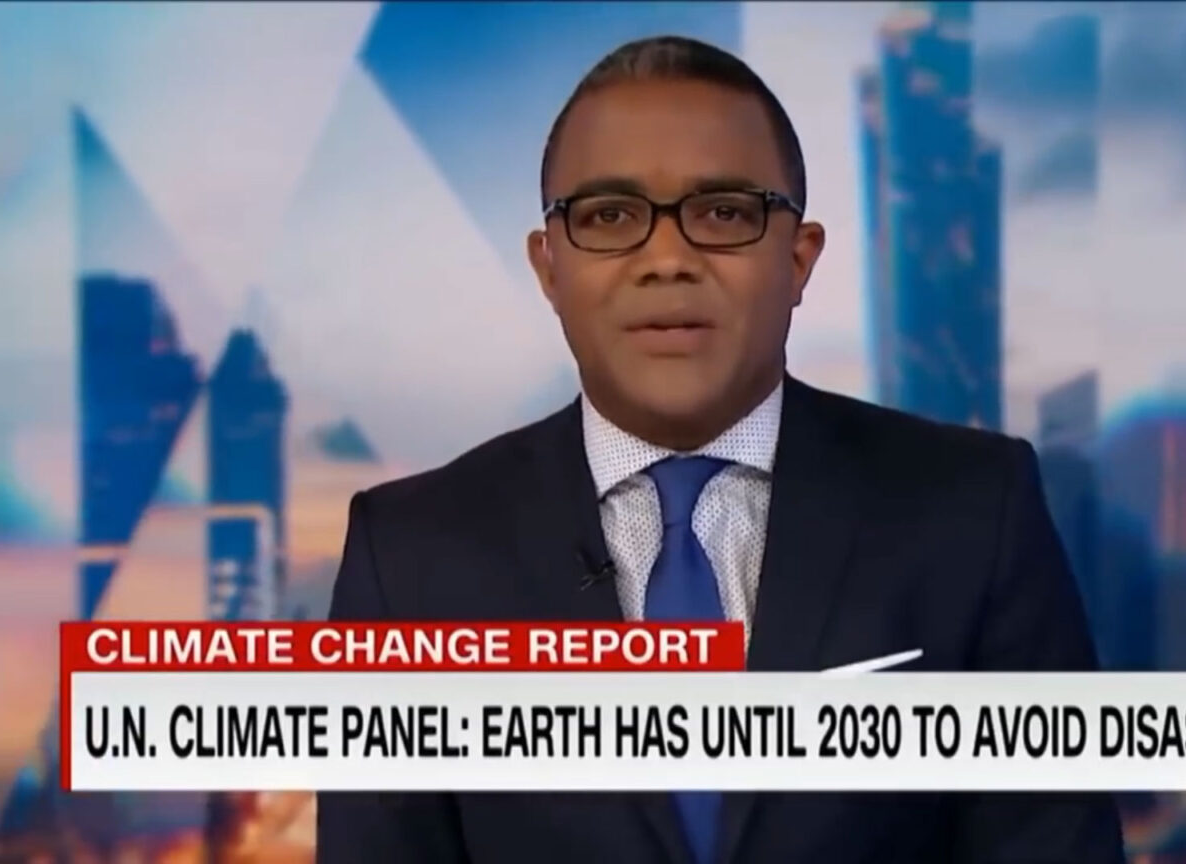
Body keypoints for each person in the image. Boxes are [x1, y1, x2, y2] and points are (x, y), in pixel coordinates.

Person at [316, 34, 1125, 864]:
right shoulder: (409, 558)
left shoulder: (975, 514)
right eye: (609, 216)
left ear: (799, 258)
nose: (668, 259)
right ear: (549, 266)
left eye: (724, 213)